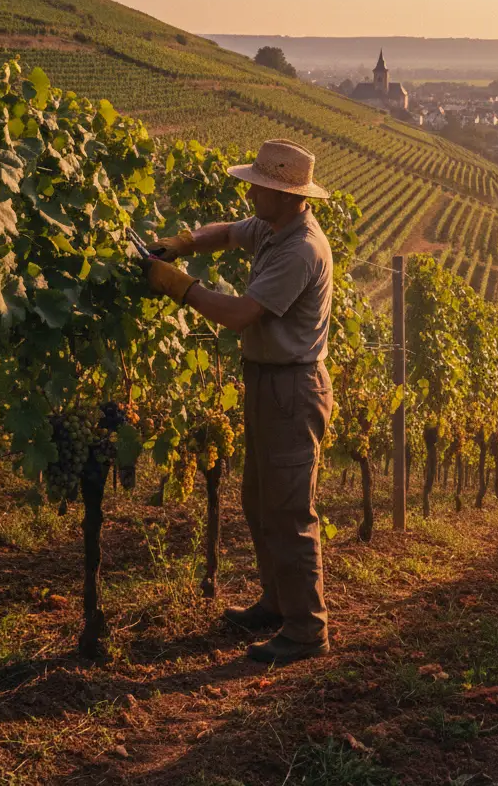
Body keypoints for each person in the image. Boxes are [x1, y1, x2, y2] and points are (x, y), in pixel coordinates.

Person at [141, 139, 334, 666]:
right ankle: (278, 603)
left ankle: (306, 628)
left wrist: (180, 288)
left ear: (285, 194)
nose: (249, 190)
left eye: (258, 185)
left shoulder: (301, 249)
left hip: (292, 390)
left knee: (290, 511)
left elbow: (241, 314)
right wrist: (182, 242)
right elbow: (226, 233)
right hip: (268, 382)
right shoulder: (274, 227)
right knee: (259, 501)